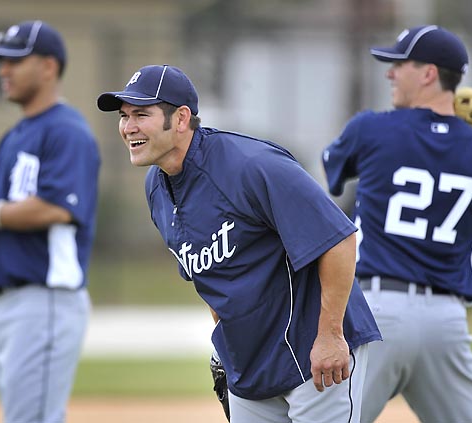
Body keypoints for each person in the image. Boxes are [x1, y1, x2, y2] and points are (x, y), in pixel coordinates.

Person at [96, 64, 381, 423]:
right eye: (123, 116)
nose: (128, 127)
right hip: (252, 368)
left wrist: (331, 335)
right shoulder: (157, 188)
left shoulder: (251, 166)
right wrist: (227, 344)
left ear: (181, 118)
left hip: (315, 354)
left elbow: (338, 240)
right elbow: (211, 277)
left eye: (141, 114)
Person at [322, 25, 472, 423]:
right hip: (446, 322)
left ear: (428, 74)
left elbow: (331, 168)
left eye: (399, 64)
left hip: (376, 313)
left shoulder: (370, 129)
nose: (390, 73)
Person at [0, 20, 100, 423]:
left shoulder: (66, 131)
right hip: (9, 298)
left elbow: (56, 208)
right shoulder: (16, 135)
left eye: (15, 61)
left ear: (49, 67)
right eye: (1, 62)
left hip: (45, 296)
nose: (4, 70)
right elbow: (4, 215)